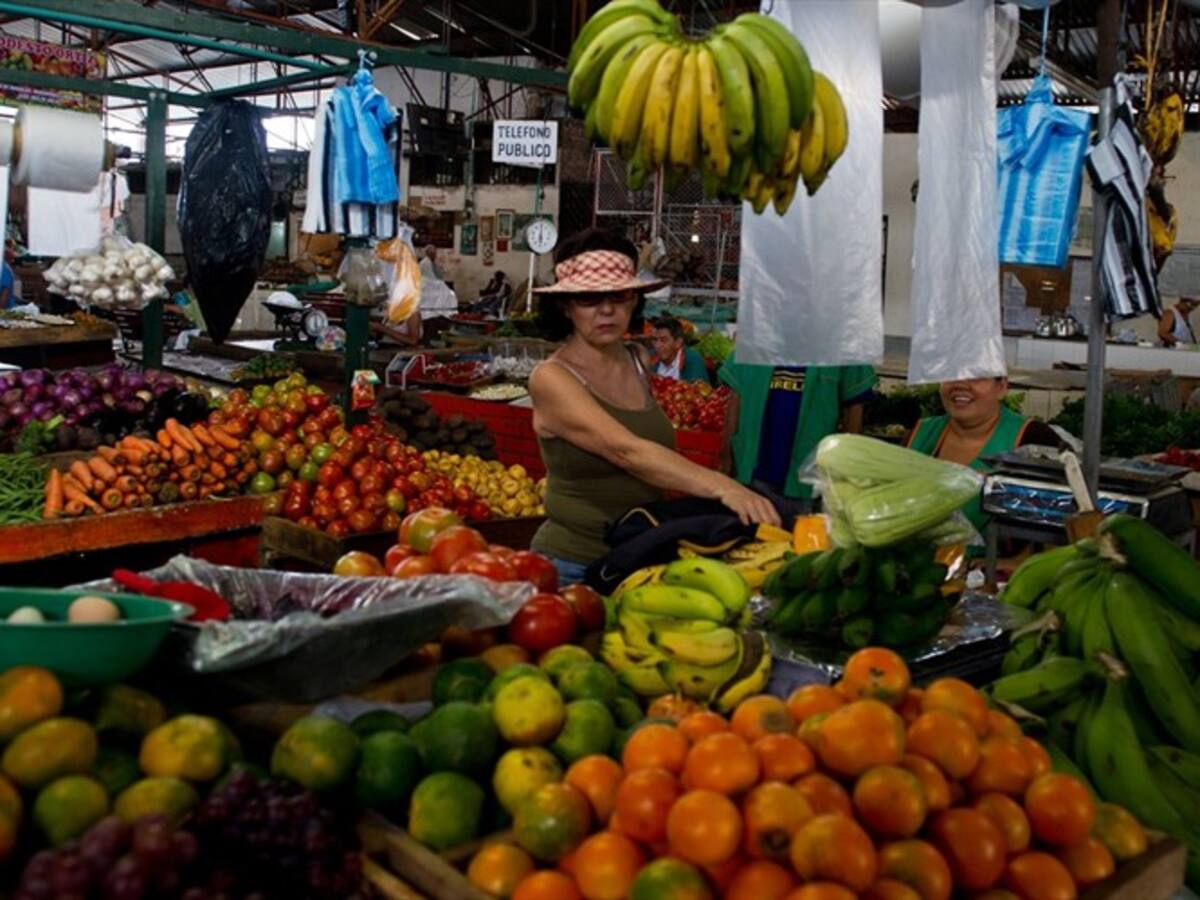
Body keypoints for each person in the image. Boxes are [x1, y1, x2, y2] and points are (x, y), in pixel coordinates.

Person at [528, 227, 779, 585]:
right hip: (572, 566)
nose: (607, 310)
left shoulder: (638, 360)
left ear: (635, 301)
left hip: (640, 554)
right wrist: (725, 487)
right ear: (566, 307)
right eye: (588, 298)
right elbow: (625, 450)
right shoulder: (552, 378)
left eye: (619, 295)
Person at [719, 360, 876, 514]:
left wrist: (846, 472)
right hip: (752, 475)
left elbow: (854, 409)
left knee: (802, 536)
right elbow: (735, 397)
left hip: (809, 481)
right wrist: (726, 456)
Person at [906, 375, 1059, 532]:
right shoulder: (920, 434)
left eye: (975, 376)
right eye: (951, 375)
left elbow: (1055, 530)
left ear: (1001, 387)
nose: (960, 384)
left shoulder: (1035, 439)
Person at [651, 317, 709, 382]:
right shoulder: (650, 359)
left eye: (664, 340)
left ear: (678, 343)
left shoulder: (693, 359)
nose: (657, 345)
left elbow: (697, 389)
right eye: (655, 340)